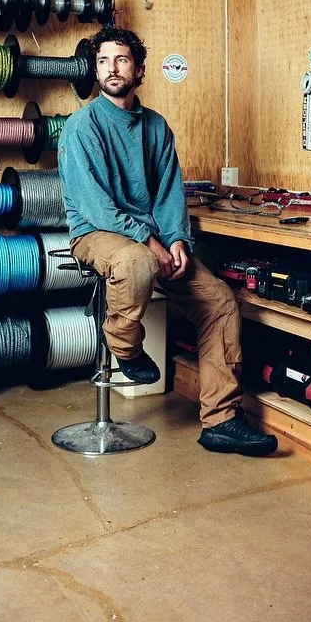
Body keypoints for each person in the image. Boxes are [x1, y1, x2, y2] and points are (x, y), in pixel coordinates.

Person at [57, 25, 278, 456]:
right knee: (137, 263)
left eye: (121, 60)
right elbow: (96, 206)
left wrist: (177, 240)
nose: (111, 69)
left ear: (138, 70)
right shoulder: (80, 127)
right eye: (103, 61)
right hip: (95, 234)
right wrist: (150, 242)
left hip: (151, 239)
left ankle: (222, 420)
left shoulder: (156, 127)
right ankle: (125, 347)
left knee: (218, 299)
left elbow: (169, 193)